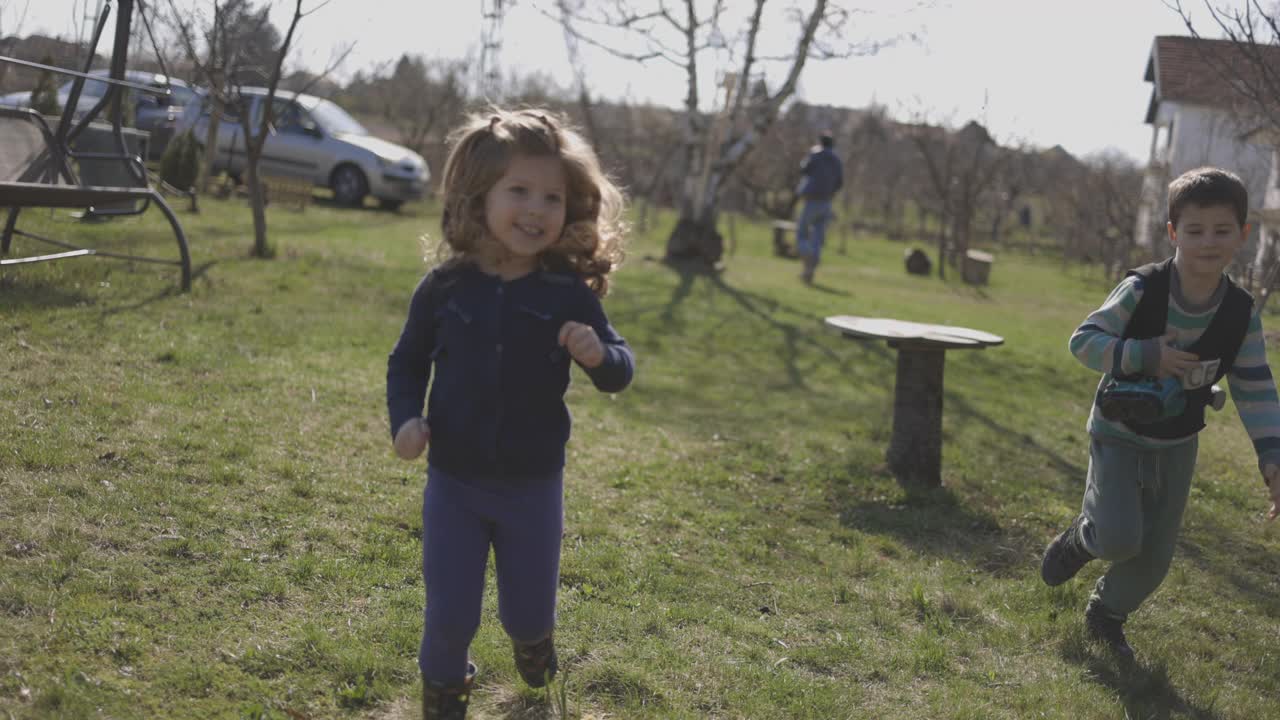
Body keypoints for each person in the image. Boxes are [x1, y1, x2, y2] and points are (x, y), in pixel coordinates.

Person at [386, 108, 635, 719]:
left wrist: (598, 353)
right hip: (456, 481)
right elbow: (407, 360)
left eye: (552, 196)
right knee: (450, 612)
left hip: (532, 485)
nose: (536, 209)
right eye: (518, 191)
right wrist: (404, 421)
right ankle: (444, 691)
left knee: (526, 610)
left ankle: (534, 641)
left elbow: (620, 369)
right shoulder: (445, 288)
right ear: (478, 197)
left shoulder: (566, 293)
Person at [1042, 166, 1280, 659]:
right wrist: (1147, 355)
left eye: (1221, 230)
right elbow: (1083, 342)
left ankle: (1106, 615)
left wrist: (1273, 460)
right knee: (1117, 536)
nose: (1207, 242)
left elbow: (1255, 390)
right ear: (1173, 232)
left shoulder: (1240, 313)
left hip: (1178, 441)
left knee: (1154, 557)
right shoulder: (1143, 289)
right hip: (1118, 429)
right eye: (1194, 230)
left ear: (1243, 233)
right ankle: (1083, 539)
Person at [794, 131, 844, 284]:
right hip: (826, 202)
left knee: (802, 234)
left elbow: (803, 169)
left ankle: (807, 255)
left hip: (812, 200)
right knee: (817, 238)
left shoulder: (815, 154)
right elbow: (840, 182)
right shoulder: (837, 160)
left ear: (820, 142)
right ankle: (809, 270)